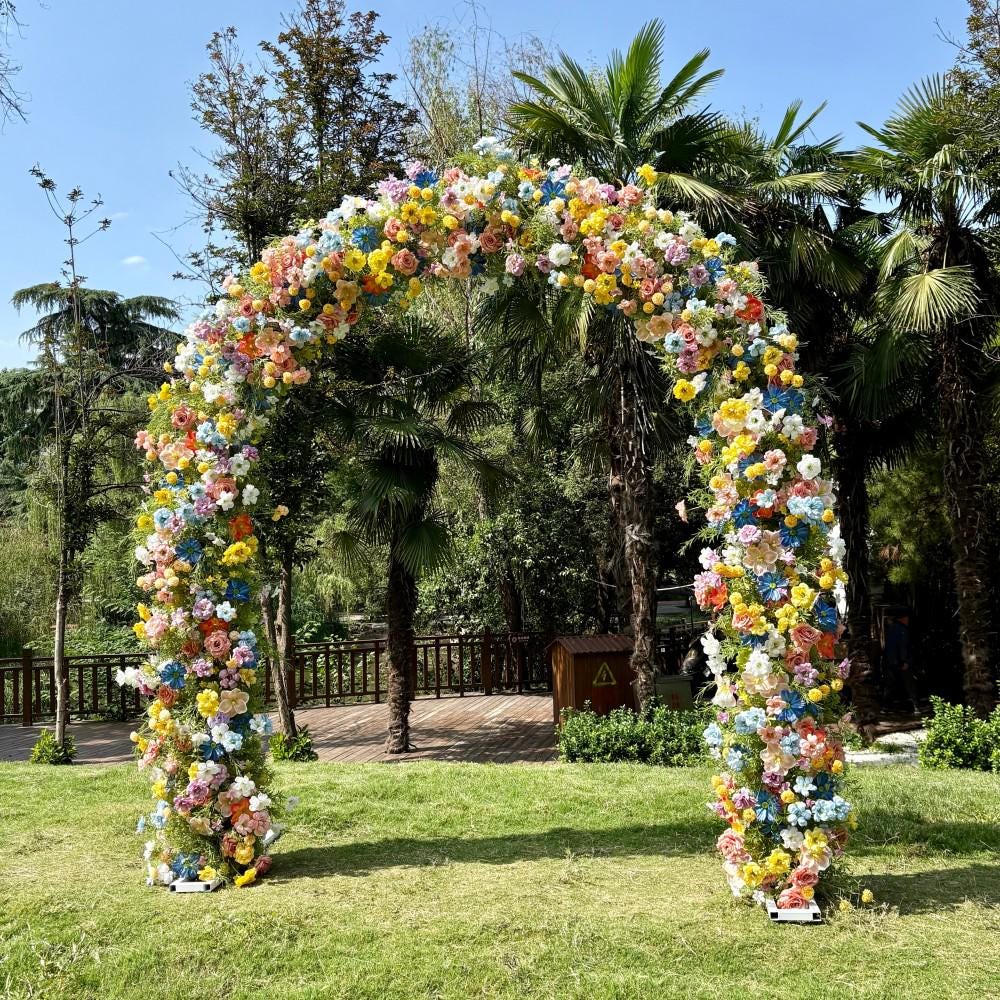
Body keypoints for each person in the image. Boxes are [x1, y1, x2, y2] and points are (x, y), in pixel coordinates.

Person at [882, 610, 919, 715]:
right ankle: (915, 706)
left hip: (890, 661)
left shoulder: (890, 629)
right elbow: (903, 647)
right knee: (909, 683)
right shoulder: (902, 630)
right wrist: (905, 661)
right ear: (902, 618)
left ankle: (886, 707)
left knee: (890, 684)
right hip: (899, 661)